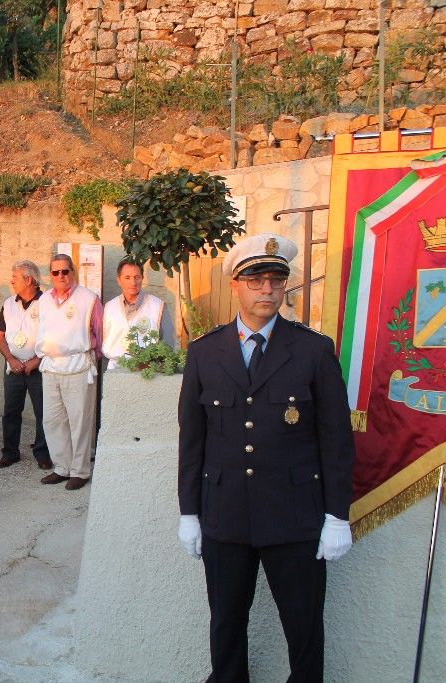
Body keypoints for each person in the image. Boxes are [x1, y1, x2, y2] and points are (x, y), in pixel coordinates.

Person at [177, 233, 355, 682]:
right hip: (226, 515)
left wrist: (337, 514)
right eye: (256, 279)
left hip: (294, 516)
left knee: (304, 629)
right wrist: (189, 511)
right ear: (236, 284)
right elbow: (192, 441)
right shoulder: (204, 353)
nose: (267, 290)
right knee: (226, 626)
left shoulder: (313, 351)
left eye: (277, 280)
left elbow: (336, 440)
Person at [34, 253, 103, 491]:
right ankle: (61, 467)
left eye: (65, 271)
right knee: (53, 421)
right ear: (50, 275)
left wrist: (93, 359)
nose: (61, 276)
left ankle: (80, 471)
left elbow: (99, 333)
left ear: (73, 272)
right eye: (56, 272)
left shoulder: (89, 299)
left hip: (78, 367)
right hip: (51, 367)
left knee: (80, 421)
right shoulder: (43, 300)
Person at [0, 260, 51, 471]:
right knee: (10, 411)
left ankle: (43, 453)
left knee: (43, 413)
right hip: (13, 368)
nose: (11, 280)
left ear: (29, 280)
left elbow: (54, 337)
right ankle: (10, 453)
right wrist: (11, 359)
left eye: (15, 277)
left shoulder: (47, 303)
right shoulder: (8, 304)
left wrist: (36, 360)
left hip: (40, 368)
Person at [101, 258, 176, 369]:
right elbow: (105, 338)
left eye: (137, 277)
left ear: (142, 278)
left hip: (146, 371)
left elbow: (167, 342)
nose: (133, 282)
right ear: (119, 280)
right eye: (127, 277)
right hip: (116, 368)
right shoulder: (110, 306)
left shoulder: (158, 306)